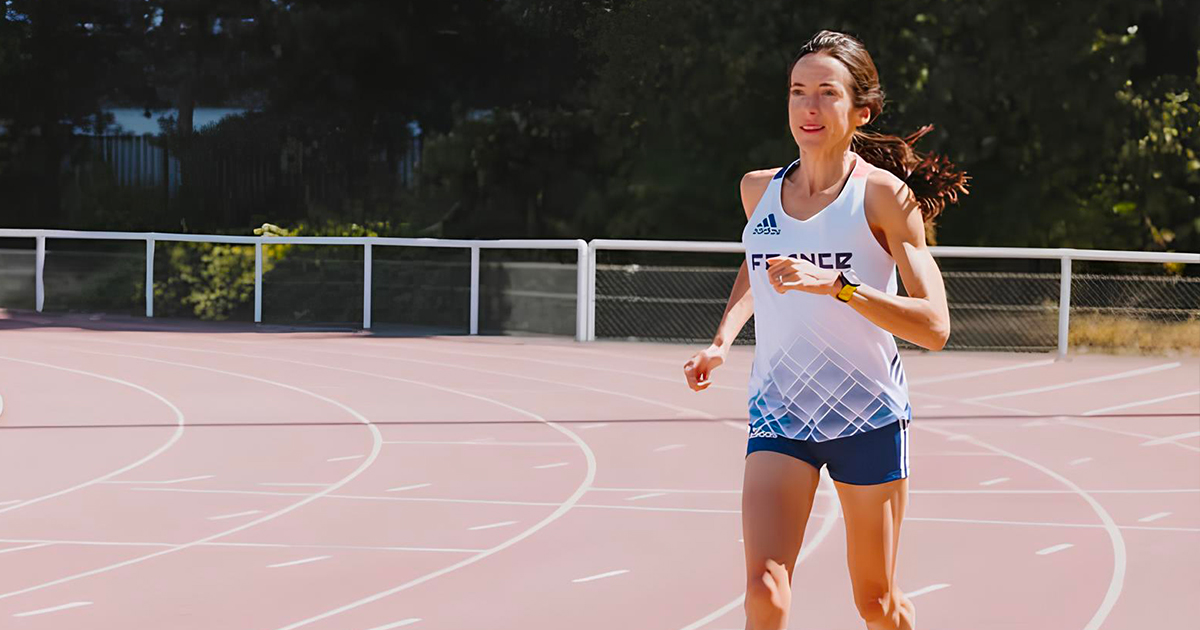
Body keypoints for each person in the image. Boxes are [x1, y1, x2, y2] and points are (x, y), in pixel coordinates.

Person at [683, 30, 969, 630]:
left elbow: (936, 326)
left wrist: (835, 285)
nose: (808, 108)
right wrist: (722, 340)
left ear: (859, 111)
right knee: (764, 591)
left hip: (867, 417)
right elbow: (756, 265)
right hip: (779, 414)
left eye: (826, 93)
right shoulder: (757, 190)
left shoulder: (886, 198)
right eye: (797, 92)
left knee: (877, 605)